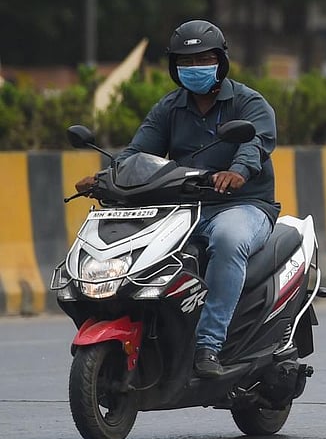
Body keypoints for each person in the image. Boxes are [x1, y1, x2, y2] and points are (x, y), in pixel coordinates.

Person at [75, 19, 281, 378]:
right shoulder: (169, 108)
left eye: (204, 59)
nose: (195, 67)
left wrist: (238, 172)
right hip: (183, 209)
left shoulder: (249, 103)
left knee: (228, 241)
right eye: (186, 61)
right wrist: (106, 177)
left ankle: (209, 347)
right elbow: (138, 153)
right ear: (174, 68)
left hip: (241, 205)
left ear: (221, 60)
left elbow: (255, 143)